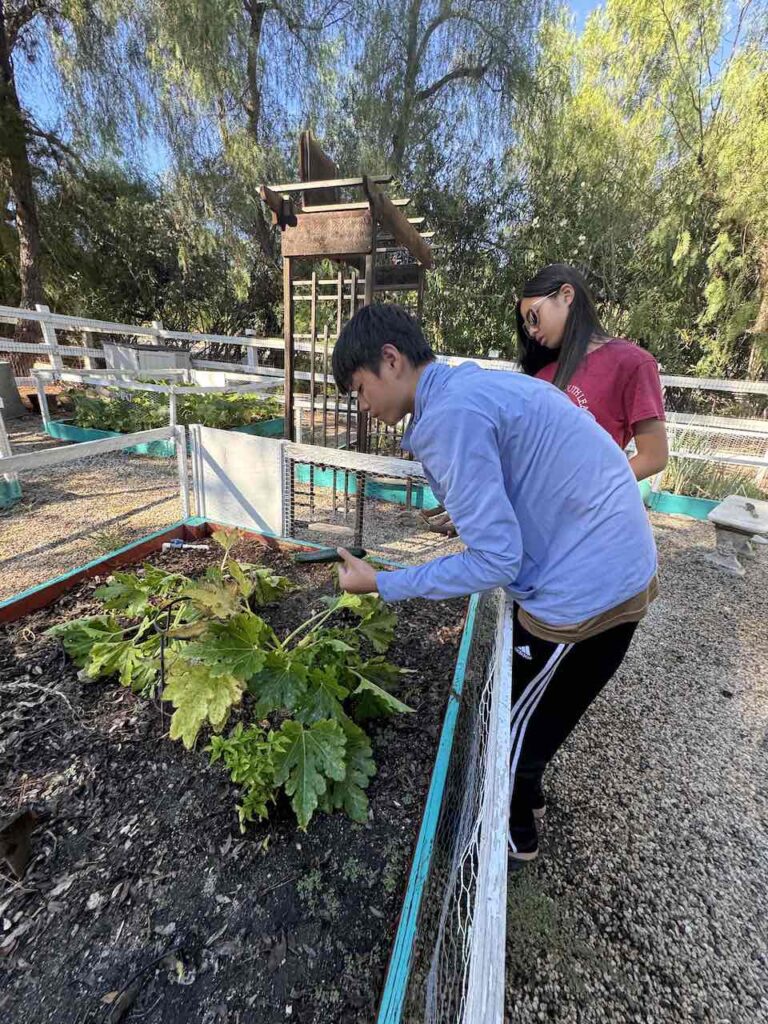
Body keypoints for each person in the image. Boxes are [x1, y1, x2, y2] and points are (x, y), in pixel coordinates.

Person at [332, 303, 659, 867]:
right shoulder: (465, 387)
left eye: (359, 389)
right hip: (604, 555)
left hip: (587, 588)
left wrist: (384, 582)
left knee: (508, 724)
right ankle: (525, 794)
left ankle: (509, 835)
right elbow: (521, 473)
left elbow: (496, 562)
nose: (361, 405)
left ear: (390, 359)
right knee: (529, 707)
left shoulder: (447, 419)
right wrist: (465, 514)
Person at [517, 263, 668, 481]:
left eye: (533, 317)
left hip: (588, 501)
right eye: (527, 327)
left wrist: (595, 489)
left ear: (566, 295)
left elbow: (654, 457)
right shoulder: (541, 376)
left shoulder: (631, 362)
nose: (532, 331)